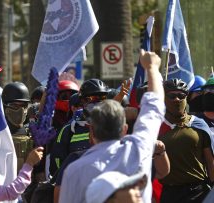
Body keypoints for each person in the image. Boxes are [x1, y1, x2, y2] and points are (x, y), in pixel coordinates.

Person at [58, 49, 165, 203]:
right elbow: (154, 107)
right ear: (124, 129)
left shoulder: (74, 171)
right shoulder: (139, 149)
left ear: (91, 131)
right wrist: (152, 68)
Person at [158, 78, 214, 203]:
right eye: (171, 96)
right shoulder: (156, 126)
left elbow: (211, 162)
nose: (177, 99)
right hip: (169, 194)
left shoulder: (199, 124)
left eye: (181, 95)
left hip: (198, 193)